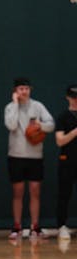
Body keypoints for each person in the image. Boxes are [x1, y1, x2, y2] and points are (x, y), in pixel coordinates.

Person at [4, 77, 54, 239]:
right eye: (20, 89)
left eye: (26, 89)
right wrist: (16, 105)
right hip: (16, 156)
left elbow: (51, 124)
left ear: (30, 90)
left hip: (35, 156)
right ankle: (17, 226)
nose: (24, 92)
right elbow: (11, 125)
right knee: (17, 192)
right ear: (15, 91)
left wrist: (41, 126)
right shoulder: (10, 107)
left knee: (35, 190)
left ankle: (35, 226)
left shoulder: (38, 106)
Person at [55, 84, 77, 241]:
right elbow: (60, 141)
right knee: (64, 194)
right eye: (73, 97)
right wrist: (75, 132)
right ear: (68, 97)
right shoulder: (63, 117)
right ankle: (62, 225)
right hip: (67, 160)